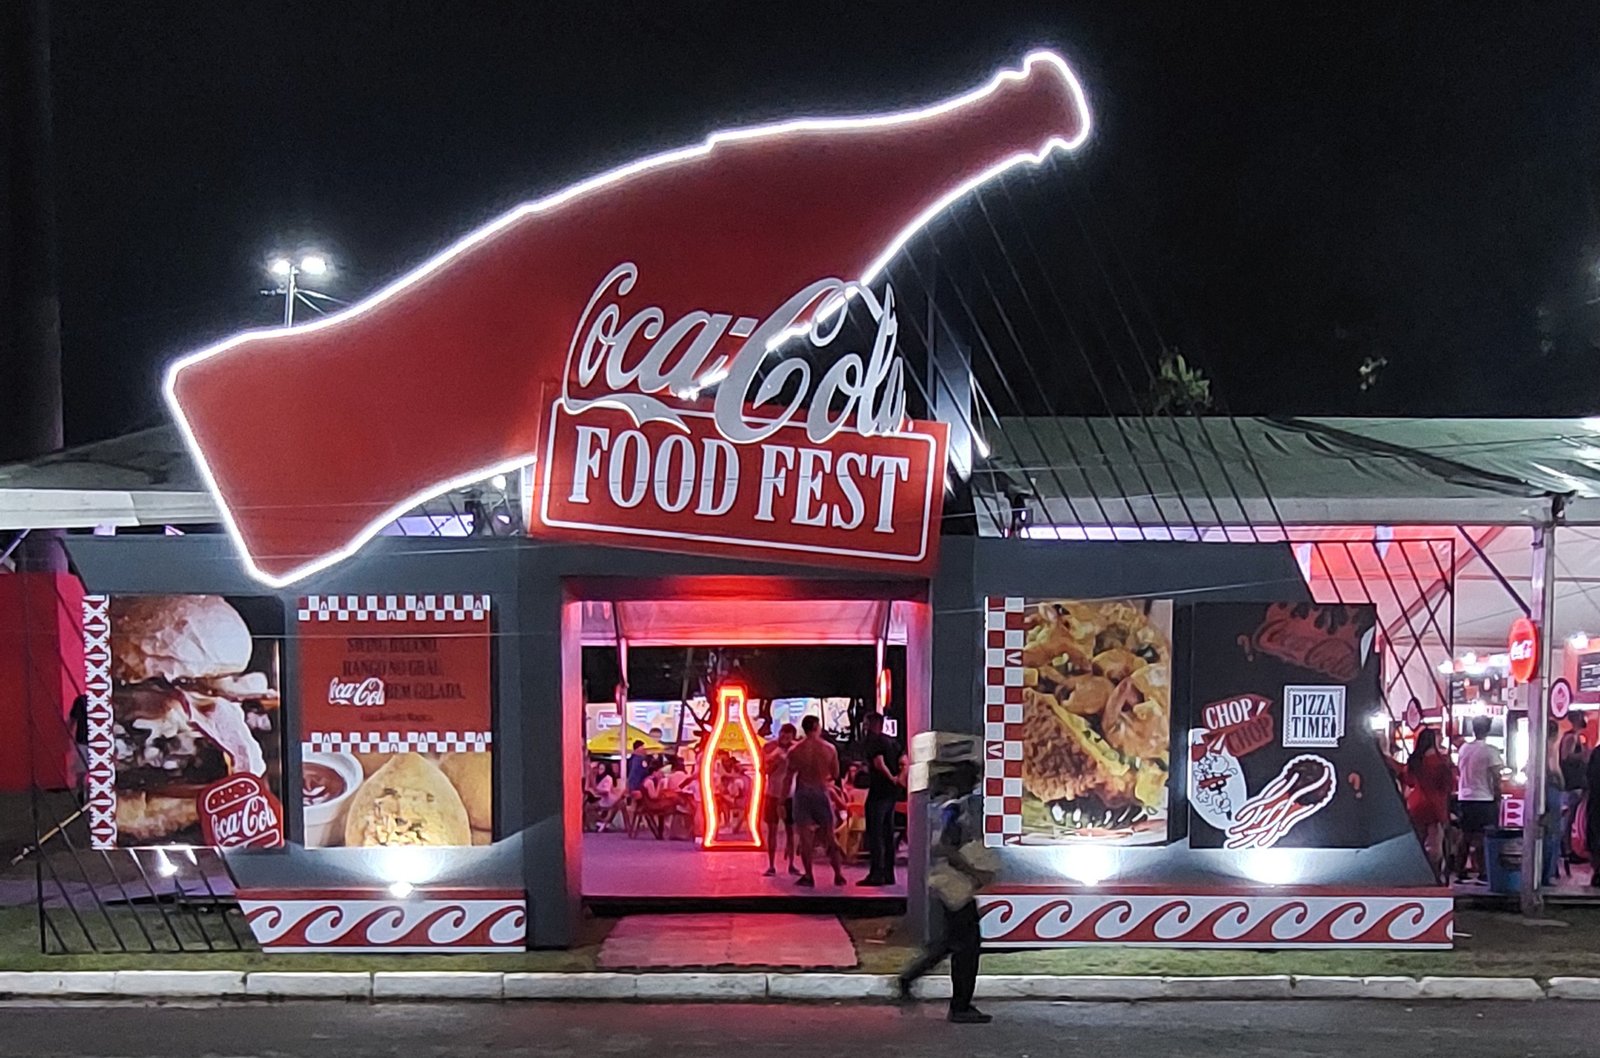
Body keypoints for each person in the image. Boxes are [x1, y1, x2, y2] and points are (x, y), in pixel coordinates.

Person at [898, 760, 994, 1024]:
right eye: (975, 779)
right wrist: (973, 871)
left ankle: (909, 977)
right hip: (956, 884)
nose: (978, 784)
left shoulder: (948, 807)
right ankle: (960, 1006)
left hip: (948, 884)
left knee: (951, 942)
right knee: (968, 946)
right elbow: (943, 846)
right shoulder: (955, 809)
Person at [786, 715, 847, 887]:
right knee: (829, 835)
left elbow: (788, 777)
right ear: (816, 726)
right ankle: (838, 875)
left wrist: (782, 801)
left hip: (802, 793)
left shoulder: (795, 751)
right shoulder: (829, 749)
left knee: (805, 838)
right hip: (821, 791)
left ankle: (808, 875)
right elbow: (835, 774)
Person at [859, 712, 905, 887]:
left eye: (866, 723)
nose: (864, 726)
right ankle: (889, 873)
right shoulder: (892, 741)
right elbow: (904, 761)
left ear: (872, 724)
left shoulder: (874, 741)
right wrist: (899, 778)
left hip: (878, 791)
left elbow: (878, 763)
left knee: (875, 833)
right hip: (891, 794)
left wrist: (890, 777)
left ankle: (876, 874)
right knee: (888, 833)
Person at [1455, 714, 1503, 883]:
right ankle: (1483, 871)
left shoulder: (1464, 749)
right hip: (1484, 797)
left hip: (1465, 796)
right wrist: (1498, 795)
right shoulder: (1491, 751)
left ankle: (1459, 870)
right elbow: (1496, 776)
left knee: (1465, 835)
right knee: (1484, 836)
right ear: (1488, 729)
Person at [1404, 727, 1452, 880]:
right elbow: (1448, 785)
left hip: (1416, 803)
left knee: (1417, 841)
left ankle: (1414, 872)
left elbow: (1409, 781)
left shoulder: (1415, 760)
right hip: (1435, 806)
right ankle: (1433, 875)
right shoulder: (1441, 761)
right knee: (1435, 845)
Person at [761, 723, 799, 876]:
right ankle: (771, 865)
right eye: (783, 735)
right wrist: (776, 760)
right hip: (773, 793)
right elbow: (764, 770)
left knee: (791, 830)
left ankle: (791, 863)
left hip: (790, 794)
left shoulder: (796, 749)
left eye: (788, 736)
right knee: (772, 830)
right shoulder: (770, 748)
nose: (784, 738)